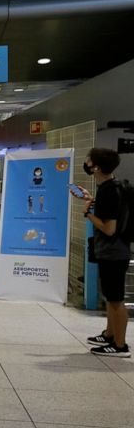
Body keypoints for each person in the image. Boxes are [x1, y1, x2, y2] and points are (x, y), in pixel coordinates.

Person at [74, 148, 131, 357]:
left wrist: (87, 213)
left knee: (115, 300)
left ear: (96, 166)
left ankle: (120, 345)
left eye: (88, 160)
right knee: (110, 296)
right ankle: (109, 334)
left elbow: (109, 228)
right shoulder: (113, 186)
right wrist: (90, 199)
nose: (86, 162)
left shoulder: (108, 191)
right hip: (116, 250)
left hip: (113, 252)